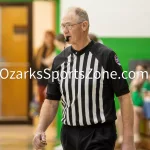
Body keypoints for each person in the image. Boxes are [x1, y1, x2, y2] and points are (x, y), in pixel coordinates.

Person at [32, 7, 135, 150]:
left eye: (69, 25)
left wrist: (128, 141)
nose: (65, 31)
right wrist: (40, 129)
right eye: (63, 26)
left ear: (84, 25)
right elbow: (51, 101)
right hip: (69, 134)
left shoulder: (106, 56)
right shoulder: (60, 60)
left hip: (100, 134)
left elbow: (124, 97)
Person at [117, 64, 147, 148]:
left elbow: (140, 101)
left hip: (144, 109)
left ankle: (136, 136)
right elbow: (129, 100)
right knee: (120, 112)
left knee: (133, 110)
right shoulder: (134, 83)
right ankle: (121, 137)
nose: (138, 73)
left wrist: (138, 88)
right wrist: (133, 86)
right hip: (135, 108)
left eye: (140, 71)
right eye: (137, 70)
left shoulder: (146, 83)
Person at [34, 30, 55, 112]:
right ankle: (41, 115)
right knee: (40, 98)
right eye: (45, 37)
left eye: (49, 37)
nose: (47, 39)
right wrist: (36, 75)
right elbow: (35, 63)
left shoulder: (54, 49)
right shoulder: (40, 49)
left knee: (49, 99)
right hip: (41, 78)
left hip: (50, 78)